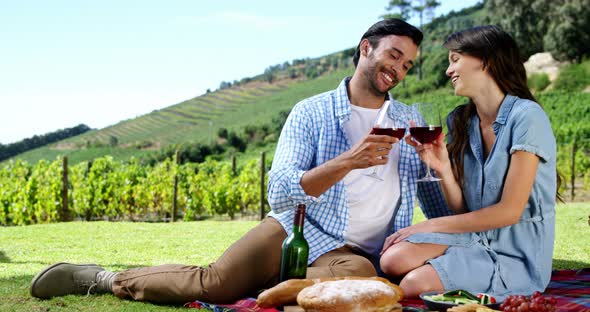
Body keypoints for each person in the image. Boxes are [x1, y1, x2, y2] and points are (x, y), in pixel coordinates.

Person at [29, 19, 449, 306]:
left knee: (361, 278)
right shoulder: (312, 112)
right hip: (300, 228)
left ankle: (273, 287)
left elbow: (435, 201)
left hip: (358, 255)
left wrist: (441, 168)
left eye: (407, 64)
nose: (398, 69)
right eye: (393, 55)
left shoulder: (410, 120)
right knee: (215, 284)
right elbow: (280, 190)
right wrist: (347, 162)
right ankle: (102, 279)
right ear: (366, 48)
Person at [379, 25, 560, 300]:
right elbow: (462, 209)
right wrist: (444, 170)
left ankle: (452, 267)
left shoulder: (526, 117)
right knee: (391, 261)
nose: (448, 71)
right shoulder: (462, 121)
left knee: (411, 285)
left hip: (514, 253)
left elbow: (509, 212)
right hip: (475, 237)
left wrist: (425, 226)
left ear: (486, 60)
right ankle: (453, 263)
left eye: (455, 60)